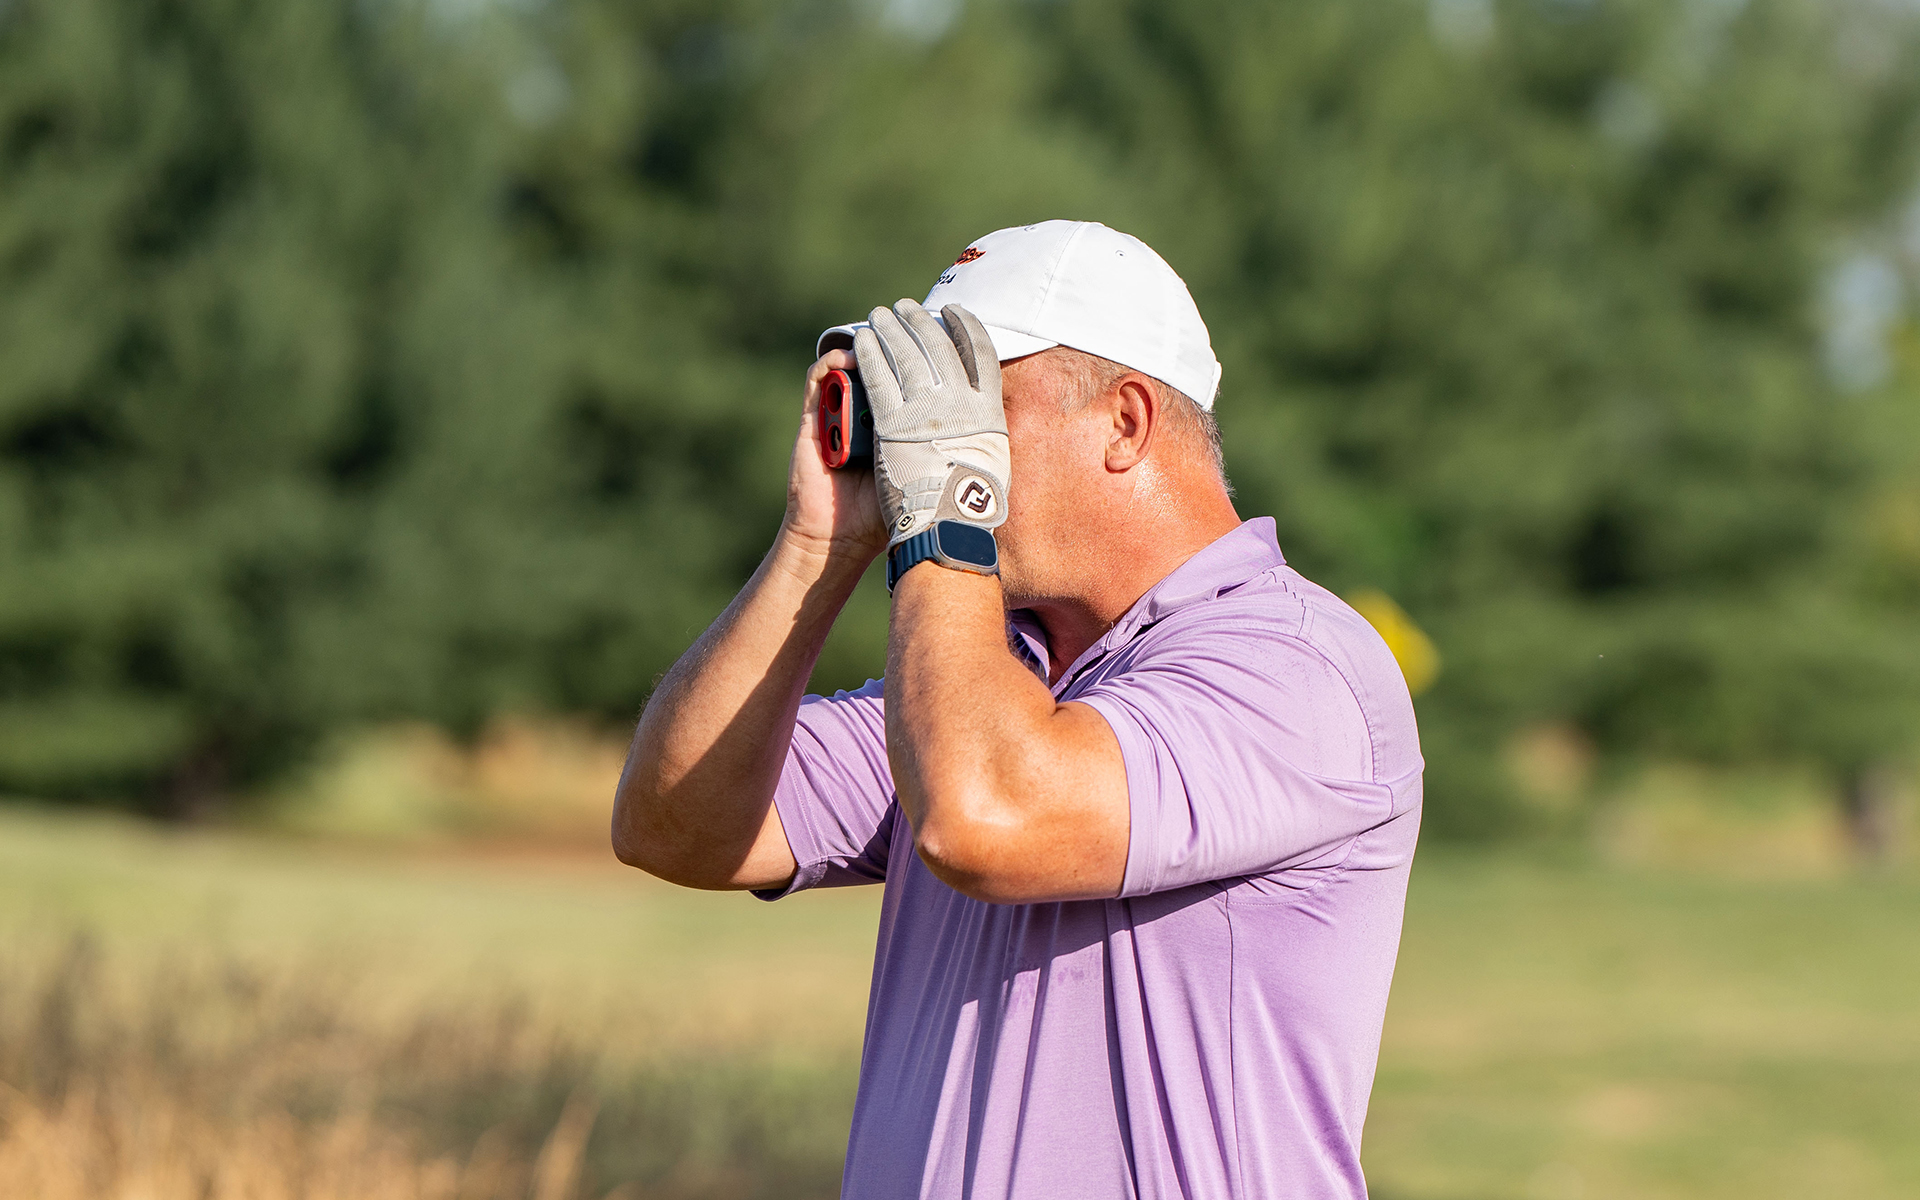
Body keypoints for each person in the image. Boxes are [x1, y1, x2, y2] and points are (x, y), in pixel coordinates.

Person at [613, 220, 1423, 1200]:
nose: (927, 445)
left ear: (1124, 423)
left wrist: (942, 518)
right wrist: (817, 547)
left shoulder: (1298, 667)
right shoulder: (981, 681)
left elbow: (983, 817)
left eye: (970, 408)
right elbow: (674, 826)